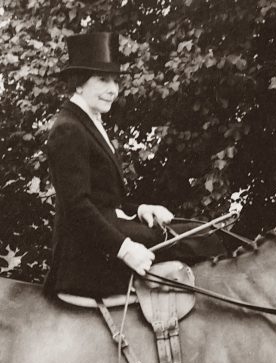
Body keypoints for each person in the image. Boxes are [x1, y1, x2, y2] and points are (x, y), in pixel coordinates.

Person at [42, 32, 225, 300]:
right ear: (79, 84)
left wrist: (141, 209)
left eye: (115, 81)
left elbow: (103, 199)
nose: (113, 90)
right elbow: (76, 207)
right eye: (103, 80)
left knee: (203, 232)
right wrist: (125, 248)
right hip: (86, 254)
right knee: (198, 242)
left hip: (108, 231)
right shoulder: (69, 129)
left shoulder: (87, 121)